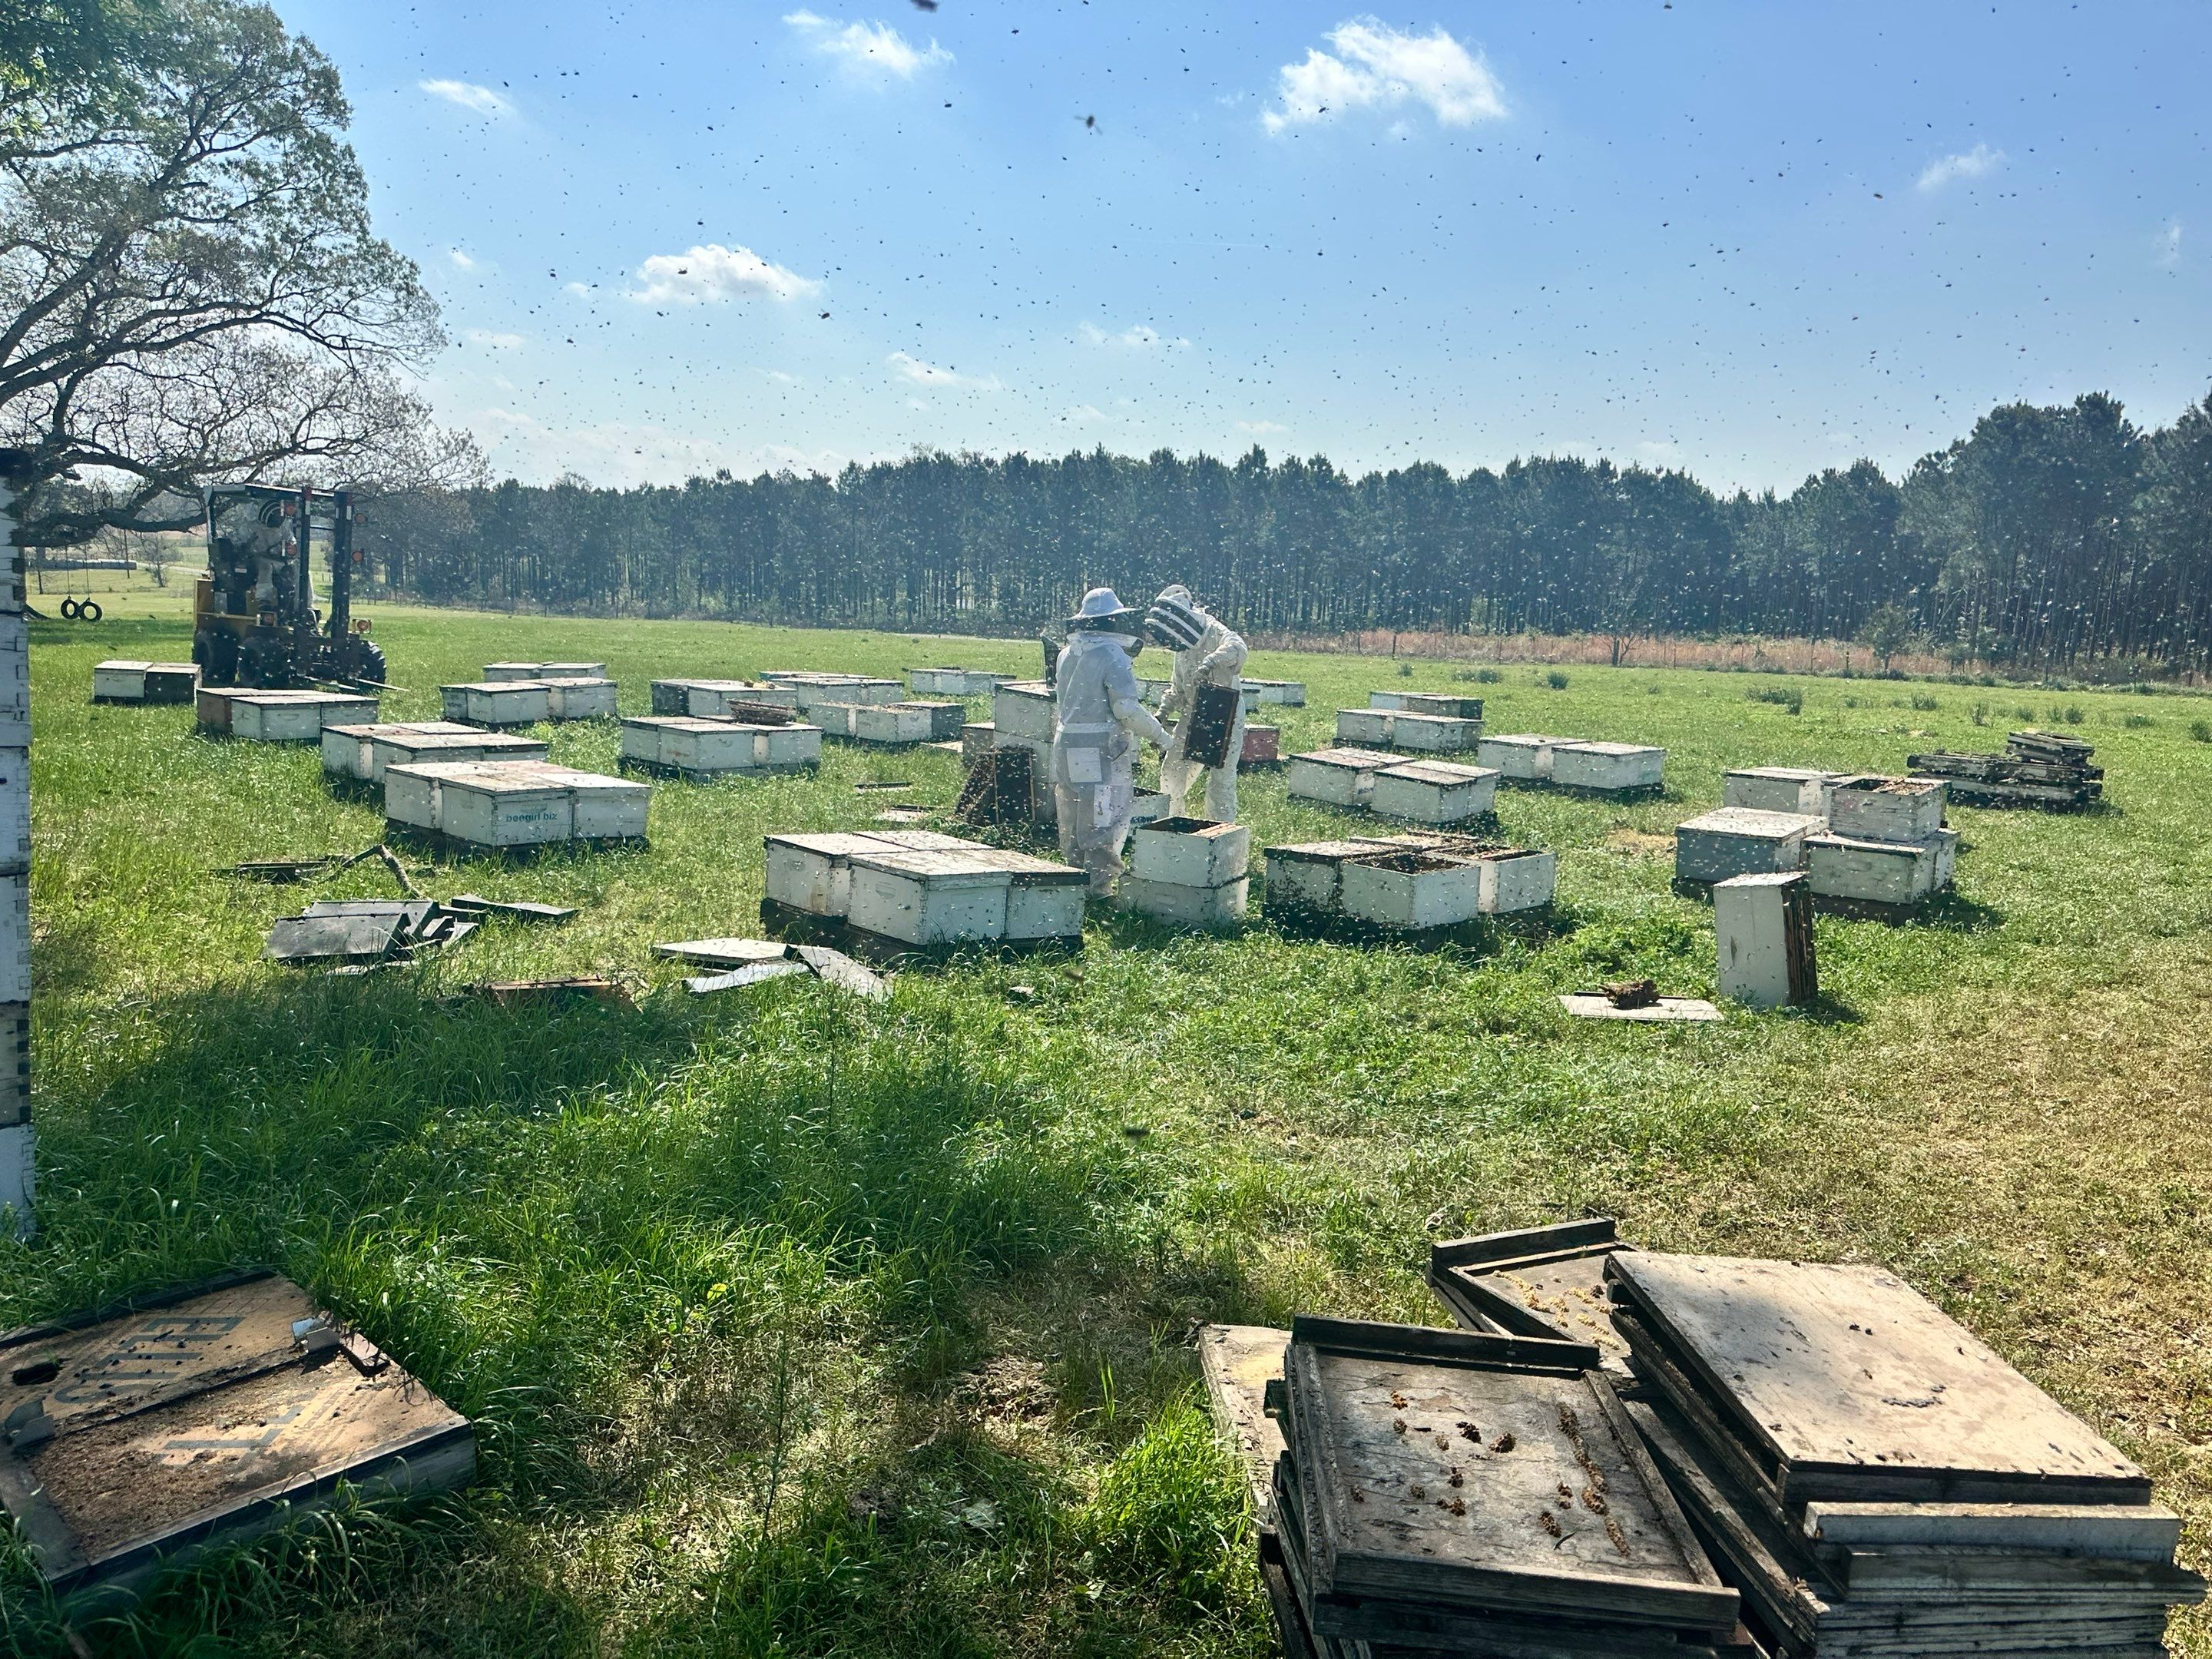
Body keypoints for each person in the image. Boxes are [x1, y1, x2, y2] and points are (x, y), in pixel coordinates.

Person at [1052, 588, 1171, 896]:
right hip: (1099, 747)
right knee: (1102, 814)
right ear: (1113, 621)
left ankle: (1073, 879)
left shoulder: (1067, 653)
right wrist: (1160, 736)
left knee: (1075, 810)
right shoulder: (1111, 653)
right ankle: (1098, 889)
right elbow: (1125, 708)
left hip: (1066, 743)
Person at [1145, 584, 1247, 823]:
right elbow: (1178, 690)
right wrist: (1162, 713)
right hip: (1194, 713)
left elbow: (1238, 646)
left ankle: (1221, 832)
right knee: (1172, 768)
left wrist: (1210, 662)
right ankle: (1172, 822)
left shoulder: (1213, 629)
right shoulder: (1181, 648)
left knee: (1220, 780)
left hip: (1224, 712)